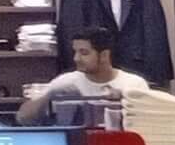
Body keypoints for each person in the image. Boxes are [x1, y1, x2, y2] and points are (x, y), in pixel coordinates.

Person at [18, 24, 150, 123]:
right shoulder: (64, 82)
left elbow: (148, 124)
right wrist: (48, 96)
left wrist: (126, 100)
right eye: (75, 52)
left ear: (104, 55)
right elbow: (23, 119)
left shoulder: (134, 84)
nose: (76, 58)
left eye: (84, 53)